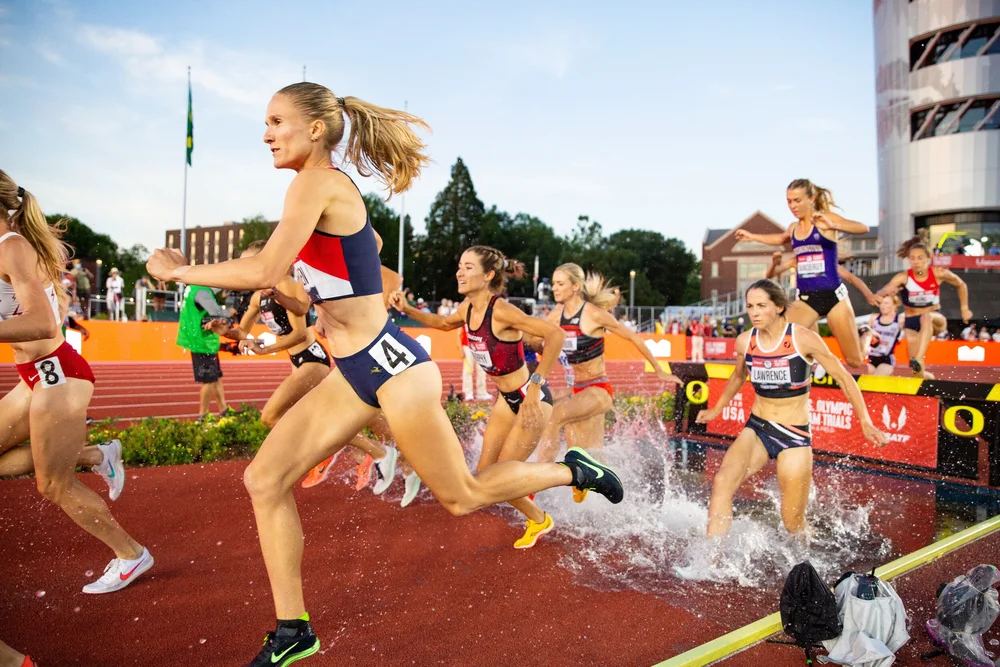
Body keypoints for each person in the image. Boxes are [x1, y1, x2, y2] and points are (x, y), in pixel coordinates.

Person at [145, 82, 623, 667]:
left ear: (315, 129)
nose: (266, 134)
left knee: (463, 495)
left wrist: (178, 269)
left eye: (276, 121)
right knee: (264, 481)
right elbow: (351, 248)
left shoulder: (315, 183)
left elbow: (268, 265)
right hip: (352, 370)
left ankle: (568, 468)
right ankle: (293, 630)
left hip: (393, 368)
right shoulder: (319, 193)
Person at [0, 171, 152, 594]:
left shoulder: (10, 246)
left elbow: (43, 323)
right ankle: (94, 455)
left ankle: (130, 554)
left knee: (53, 484)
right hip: (35, 376)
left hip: (57, 373)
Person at [391, 245, 567, 548]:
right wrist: (406, 308)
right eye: (460, 265)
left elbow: (556, 335)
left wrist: (536, 386)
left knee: (501, 478)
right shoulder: (468, 308)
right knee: (485, 476)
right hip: (505, 401)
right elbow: (444, 324)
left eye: (468, 267)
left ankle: (571, 474)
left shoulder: (500, 310)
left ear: (488, 275)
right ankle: (540, 519)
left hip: (529, 399)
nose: (460, 271)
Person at [695, 280, 887, 539]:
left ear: (779, 307)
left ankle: (806, 558)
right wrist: (716, 408)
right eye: (750, 306)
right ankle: (711, 559)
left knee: (792, 522)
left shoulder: (804, 339)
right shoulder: (745, 341)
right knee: (722, 482)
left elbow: (843, 377)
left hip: (794, 435)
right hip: (758, 428)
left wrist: (865, 420)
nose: (754, 312)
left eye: (761, 306)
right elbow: (738, 377)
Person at [533, 263, 680, 474]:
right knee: (587, 457)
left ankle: (535, 483)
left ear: (575, 287)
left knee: (556, 416)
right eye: (553, 283)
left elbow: (633, 337)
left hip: (598, 389)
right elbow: (537, 340)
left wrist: (658, 369)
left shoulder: (593, 314)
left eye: (560, 283)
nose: (554, 288)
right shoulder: (556, 316)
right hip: (577, 390)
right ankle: (603, 500)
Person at [736, 179, 870, 369]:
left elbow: (863, 228)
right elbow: (780, 239)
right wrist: (751, 236)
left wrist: (833, 224)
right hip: (807, 300)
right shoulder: (793, 228)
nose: (793, 206)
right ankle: (809, 367)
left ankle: (866, 335)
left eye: (797, 200)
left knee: (855, 361)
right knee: (776, 334)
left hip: (834, 298)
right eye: (789, 201)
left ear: (811, 198)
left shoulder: (824, 220)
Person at [205, 241, 331, 429]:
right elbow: (241, 332)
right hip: (297, 361)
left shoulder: (286, 286)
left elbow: (300, 335)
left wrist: (264, 349)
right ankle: (375, 450)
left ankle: (303, 456)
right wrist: (226, 332)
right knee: (317, 417)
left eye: (248, 264)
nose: (243, 270)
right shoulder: (258, 296)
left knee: (270, 417)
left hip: (311, 359)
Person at [875, 236, 972, 379]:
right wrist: (880, 295)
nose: (916, 262)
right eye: (912, 258)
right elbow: (886, 288)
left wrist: (964, 308)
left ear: (928, 258)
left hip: (934, 319)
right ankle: (930, 384)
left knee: (926, 317)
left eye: (920, 258)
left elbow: (961, 284)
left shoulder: (938, 273)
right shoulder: (903, 277)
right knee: (917, 373)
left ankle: (919, 357)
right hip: (912, 323)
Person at [176, 283, 231, 419]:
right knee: (209, 380)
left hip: (202, 339)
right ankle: (202, 415)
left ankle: (224, 410)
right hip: (201, 341)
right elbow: (217, 313)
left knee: (215, 377)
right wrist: (232, 311)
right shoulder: (201, 291)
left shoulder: (193, 288)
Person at [862, 295, 904, 376]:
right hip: (871, 358)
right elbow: (865, 335)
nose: (883, 306)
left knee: (876, 379)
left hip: (886, 359)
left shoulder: (900, 320)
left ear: (894, 305)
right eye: (881, 303)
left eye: (886, 303)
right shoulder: (874, 318)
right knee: (866, 383)